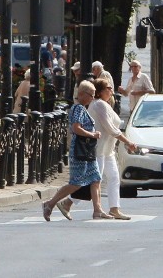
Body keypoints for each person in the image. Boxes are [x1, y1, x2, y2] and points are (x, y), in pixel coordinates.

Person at [57, 78, 137, 220]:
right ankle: (67, 202)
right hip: (98, 149)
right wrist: (128, 142)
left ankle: (114, 208)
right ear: (100, 91)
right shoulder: (99, 104)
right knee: (93, 180)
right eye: (108, 88)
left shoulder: (104, 104)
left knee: (112, 177)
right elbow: (110, 128)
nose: (111, 90)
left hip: (107, 149)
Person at [42, 80, 113, 221]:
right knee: (76, 182)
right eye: (90, 95)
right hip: (80, 151)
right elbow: (76, 128)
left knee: (96, 179)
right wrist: (92, 134)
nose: (93, 98)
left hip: (87, 151)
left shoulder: (82, 109)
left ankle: (97, 210)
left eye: (94, 95)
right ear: (81, 94)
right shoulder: (78, 108)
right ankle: (49, 204)